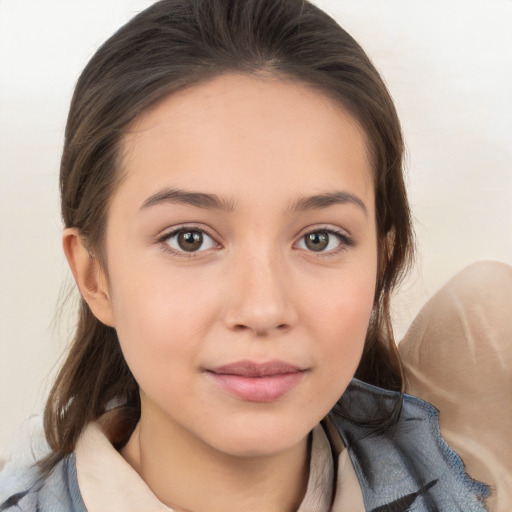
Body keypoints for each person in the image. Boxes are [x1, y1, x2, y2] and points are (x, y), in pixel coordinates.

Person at [0, 0, 509, 510]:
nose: (263, 310)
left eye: (319, 239)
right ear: (94, 276)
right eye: (190, 239)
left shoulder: (473, 466)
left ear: (380, 262)